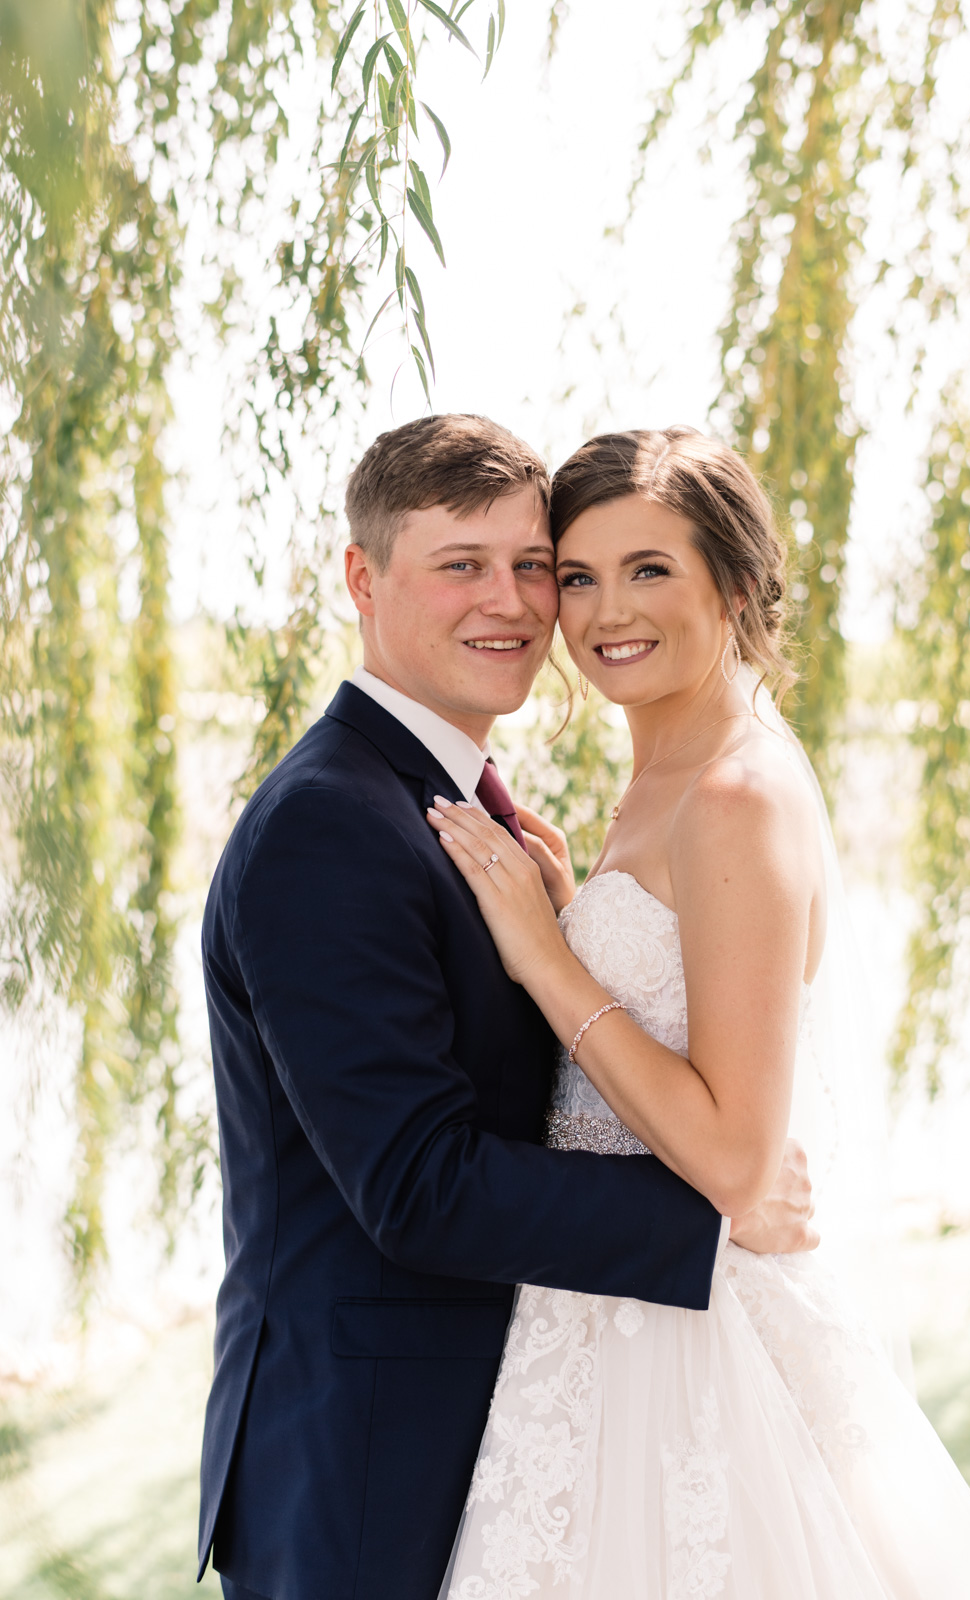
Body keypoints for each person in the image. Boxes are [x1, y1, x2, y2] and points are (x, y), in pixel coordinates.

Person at [197, 415, 816, 1600]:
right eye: (461, 565)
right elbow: (416, 1183)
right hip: (365, 1462)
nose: (520, 602)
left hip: (520, 1426)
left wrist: (564, 931)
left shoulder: (457, 806)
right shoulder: (329, 824)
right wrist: (713, 1216)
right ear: (362, 580)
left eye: (533, 565)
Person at [428, 426, 970, 1599]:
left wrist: (550, 960)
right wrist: (574, 904)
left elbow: (738, 1164)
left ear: (735, 582)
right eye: (581, 574)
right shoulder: (658, 773)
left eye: (649, 569)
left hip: (695, 1352)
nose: (606, 612)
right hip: (601, 1317)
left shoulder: (737, 792)